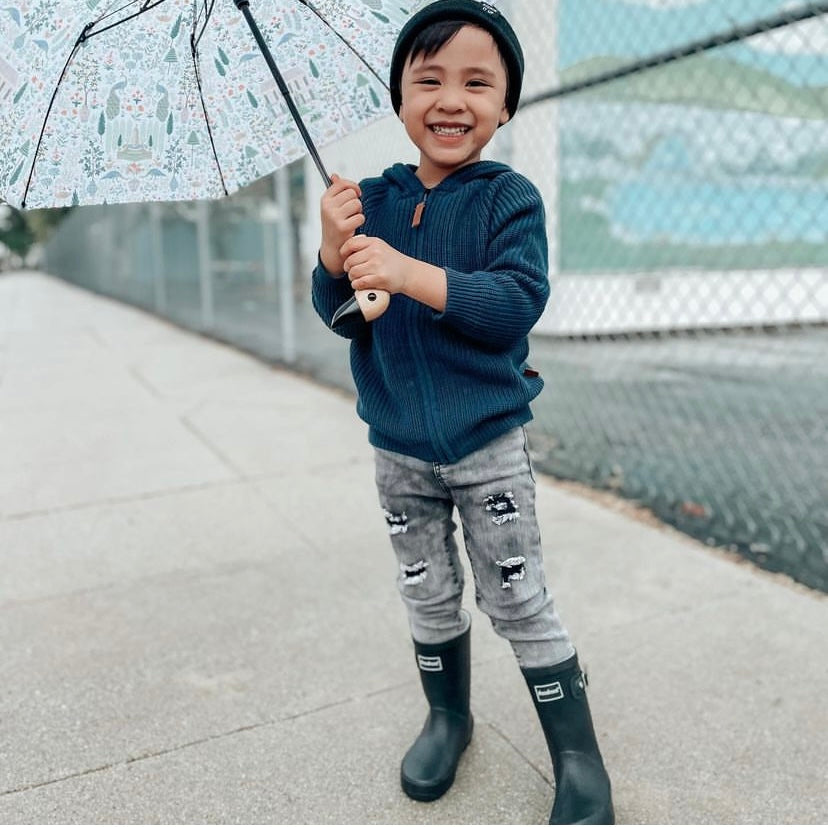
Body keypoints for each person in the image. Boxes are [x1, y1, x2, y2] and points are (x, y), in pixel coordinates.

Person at [312, 1, 614, 823]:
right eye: (430, 80)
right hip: (399, 445)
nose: (452, 99)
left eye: (478, 82)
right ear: (400, 99)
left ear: (506, 104)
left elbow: (513, 302)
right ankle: (449, 717)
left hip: (485, 444)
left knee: (517, 596)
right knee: (428, 590)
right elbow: (342, 312)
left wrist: (410, 272)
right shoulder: (368, 198)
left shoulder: (507, 200)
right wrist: (334, 255)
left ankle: (578, 757)